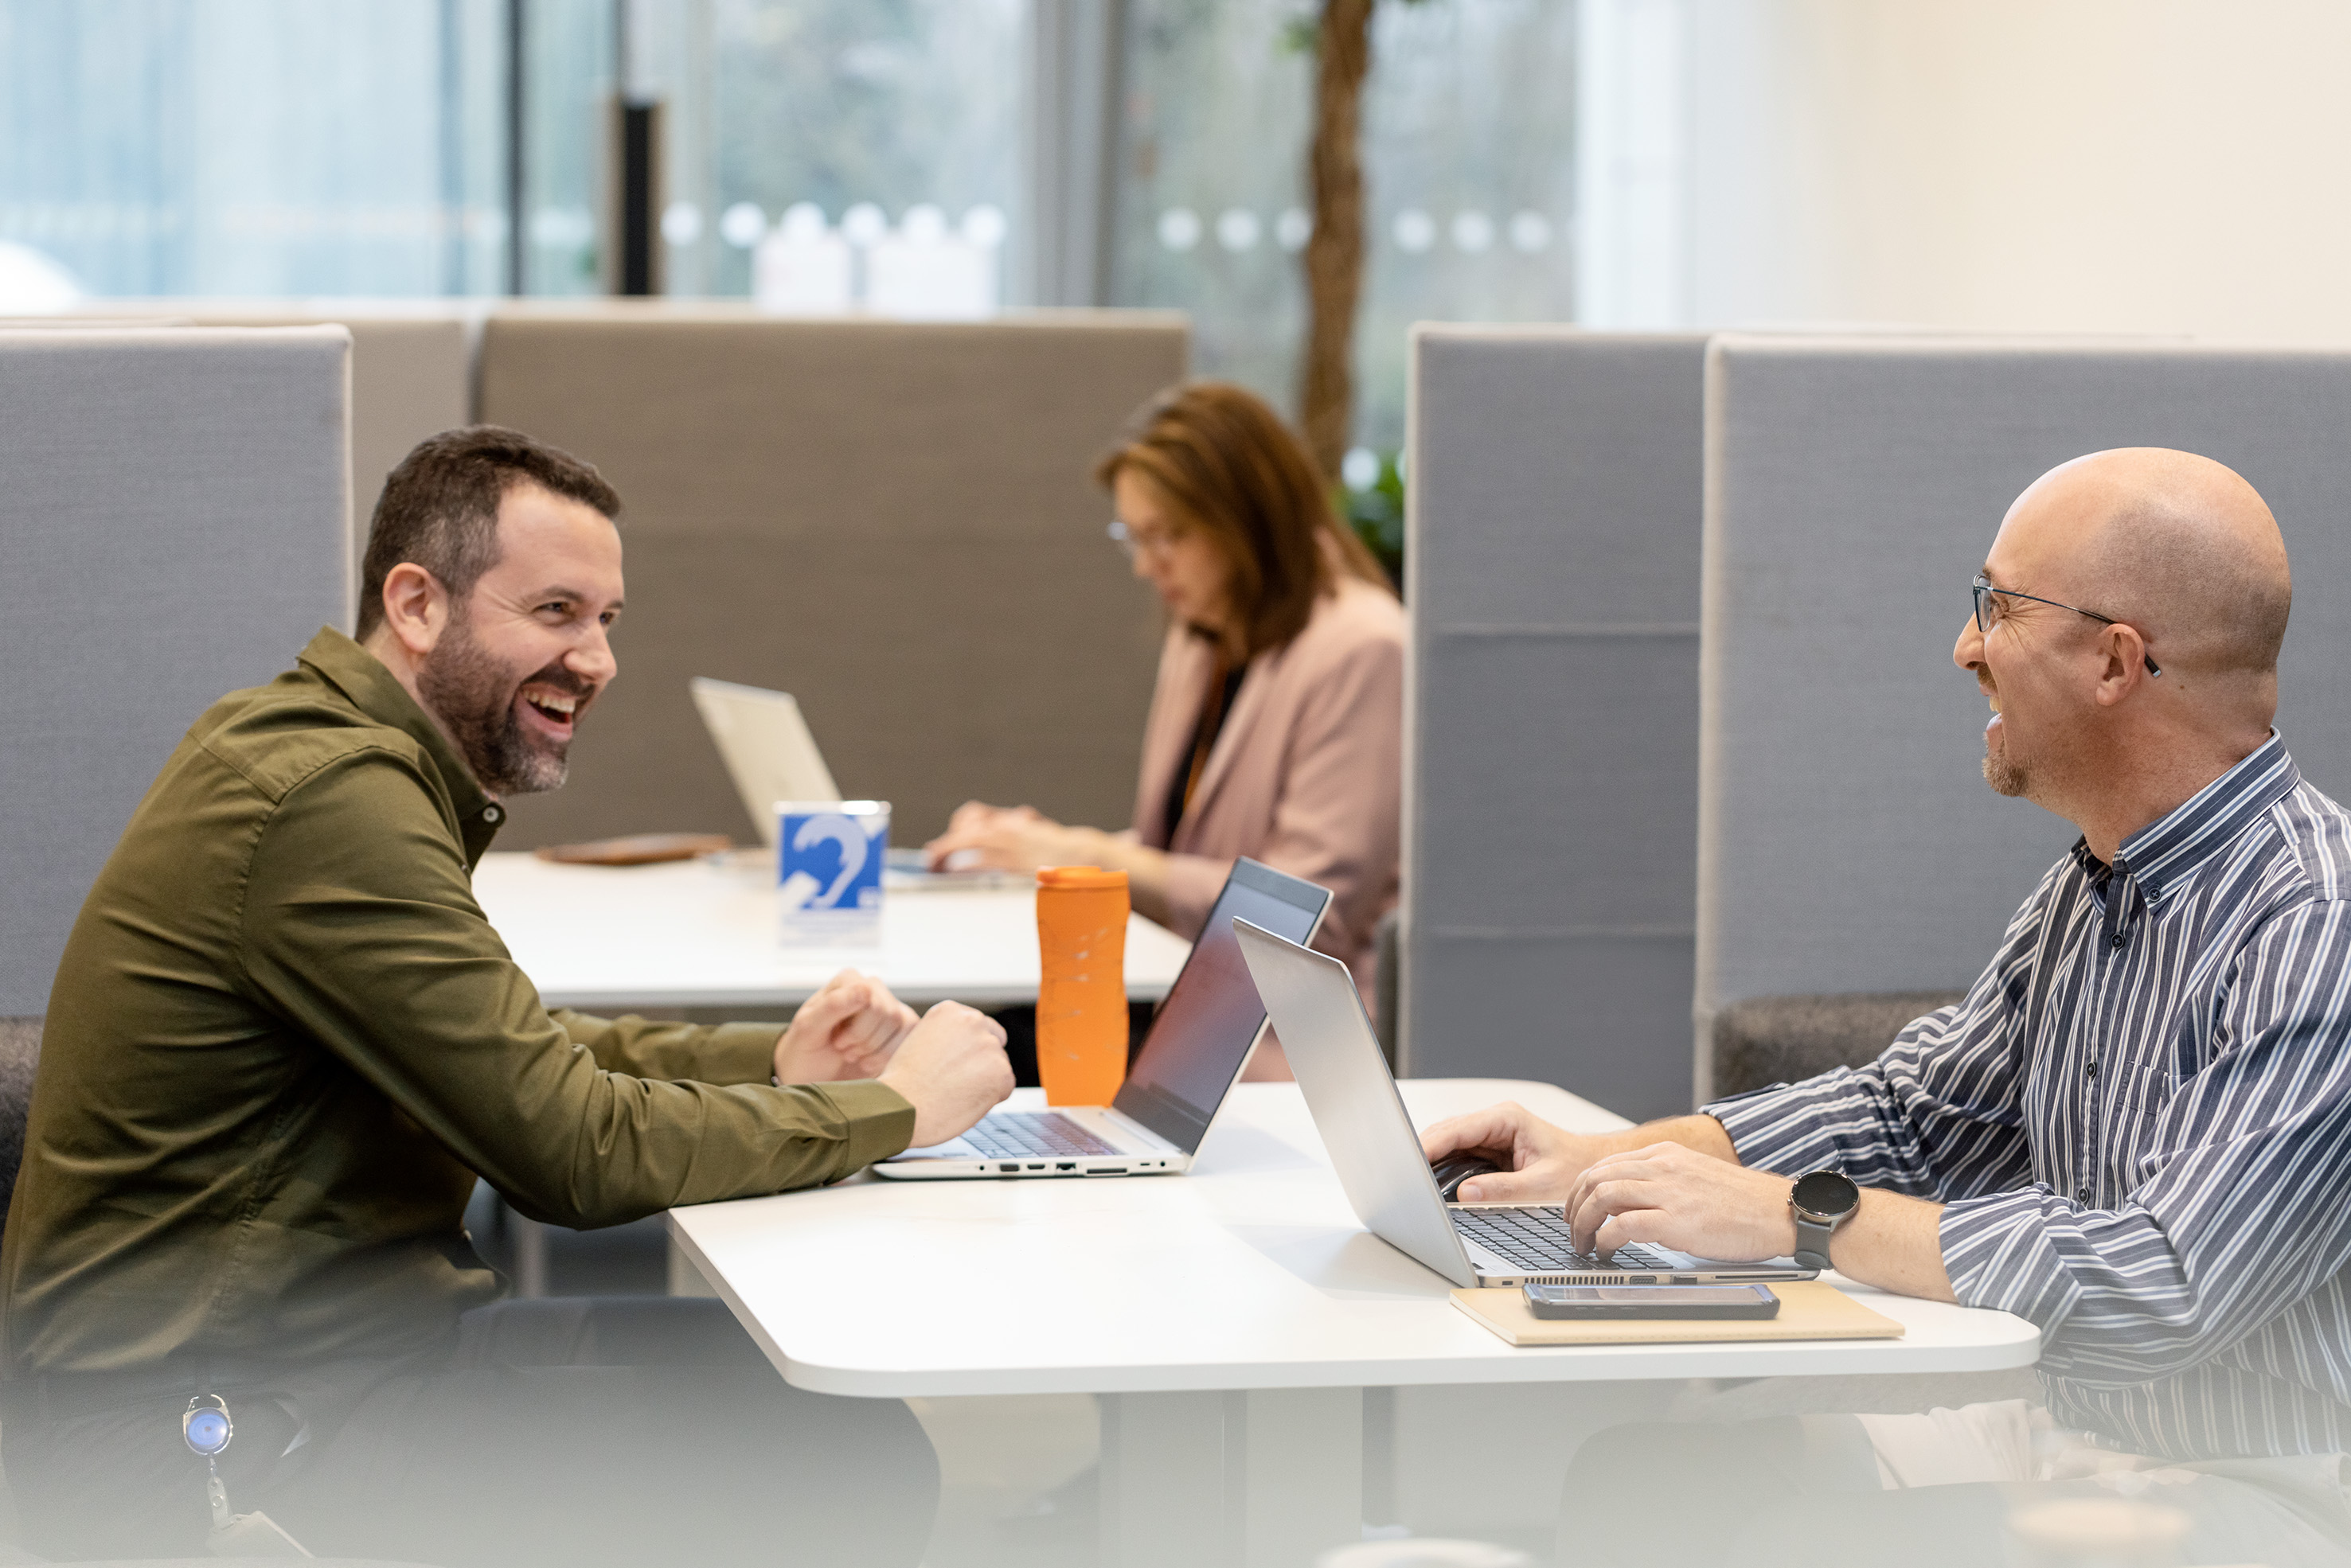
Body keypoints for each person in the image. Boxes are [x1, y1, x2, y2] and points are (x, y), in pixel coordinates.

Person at [0, 426, 1016, 1566]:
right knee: (836, 1455)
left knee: (773, 1387)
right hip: (209, 1434)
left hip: (318, 1359)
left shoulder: (327, 751)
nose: (597, 657)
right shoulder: (330, 798)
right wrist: (901, 1112)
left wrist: (775, 1066)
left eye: (606, 620)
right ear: (418, 603)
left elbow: (517, 1049)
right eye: (555, 611)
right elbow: (570, 1149)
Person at [1425, 449, 2351, 1566]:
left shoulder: (2313, 920)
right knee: (1658, 1477)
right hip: (2078, 1438)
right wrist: (1607, 1160)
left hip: (2270, 1495)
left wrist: (1790, 1218)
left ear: (2115, 661)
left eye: (1997, 607)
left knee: (1768, 1543)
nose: (1965, 646)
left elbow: (2162, 1279)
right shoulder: (2092, 888)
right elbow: (1913, 1118)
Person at [924, 382, 1404, 1075]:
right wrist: (1038, 851)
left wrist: (1088, 850)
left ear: (1249, 520)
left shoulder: (1363, 647)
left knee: (973, 1074)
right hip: (1175, 1008)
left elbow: (1301, 918)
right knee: (950, 1056)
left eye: (1168, 536)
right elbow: (1180, 851)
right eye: (1134, 537)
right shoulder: (1205, 634)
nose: (1148, 566)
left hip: (1275, 1048)